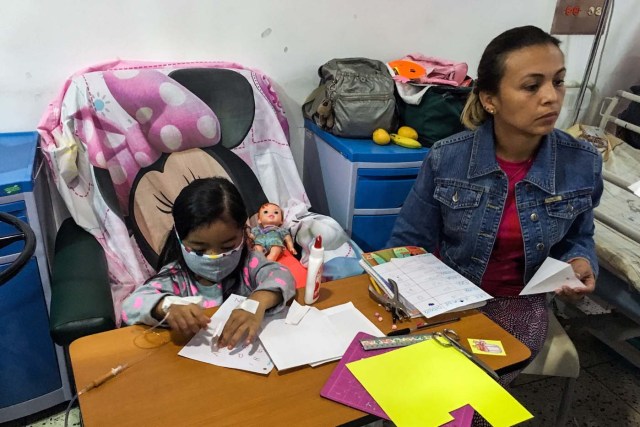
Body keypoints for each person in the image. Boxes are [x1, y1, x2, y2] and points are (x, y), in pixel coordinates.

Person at [388, 25, 603, 385]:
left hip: (520, 303)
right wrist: (410, 302)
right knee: (413, 385)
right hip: (449, 296)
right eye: (532, 86)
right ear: (490, 99)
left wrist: (580, 261)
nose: (552, 97)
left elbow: (579, 236)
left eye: (559, 81)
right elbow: (409, 243)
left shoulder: (581, 162)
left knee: (474, 393)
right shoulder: (448, 158)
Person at [122, 177, 296, 349]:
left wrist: (256, 303)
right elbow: (131, 306)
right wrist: (166, 307)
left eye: (227, 246)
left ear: (244, 233)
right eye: (199, 249)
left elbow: (282, 276)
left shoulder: (250, 263)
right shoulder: (176, 277)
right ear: (180, 238)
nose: (214, 257)